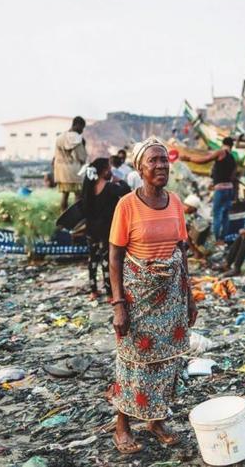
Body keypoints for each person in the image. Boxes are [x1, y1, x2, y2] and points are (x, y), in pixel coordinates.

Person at [108, 136, 197, 454]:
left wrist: (190, 298)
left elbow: (181, 251)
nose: (161, 166)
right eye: (153, 161)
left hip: (171, 299)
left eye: (164, 160)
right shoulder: (127, 205)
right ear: (140, 168)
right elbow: (115, 256)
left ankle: (156, 420)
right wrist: (119, 304)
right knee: (133, 362)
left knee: (167, 364)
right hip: (138, 300)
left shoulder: (175, 202)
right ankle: (123, 424)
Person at [81, 158, 130, 299]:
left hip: (90, 230)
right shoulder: (110, 188)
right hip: (106, 230)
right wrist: (117, 180)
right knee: (107, 261)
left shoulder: (88, 188)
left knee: (92, 260)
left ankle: (93, 291)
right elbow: (126, 190)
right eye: (109, 169)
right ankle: (110, 294)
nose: (111, 171)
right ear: (104, 171)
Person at [180, 136, 237, 243]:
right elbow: (233, 177)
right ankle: (222, 239)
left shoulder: (221, 152)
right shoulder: (232, 158)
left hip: (220, 189)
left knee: (217, 214)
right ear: (231, 146)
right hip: (230, 189)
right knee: (225, 215)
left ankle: (216, 240)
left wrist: (188, 158)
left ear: (223, 144)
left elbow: (204, 160)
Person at [54, 116, 88, 211]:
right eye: (82, 128)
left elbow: (55, 156)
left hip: (61, 171)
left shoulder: (60, 137)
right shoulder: (78, 139)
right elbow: (81, 157)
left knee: (64, 196)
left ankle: (62, 218)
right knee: (78, 196)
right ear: (78, 125)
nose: (82, 131)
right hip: (75, 171)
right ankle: (75, 220)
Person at [183, 194, 210, 259]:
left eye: (186, 205)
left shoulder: (194, 217)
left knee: (183, 231)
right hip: (203, 246)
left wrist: (195, 250)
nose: (183, 207)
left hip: (202, 247)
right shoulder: (196, 216)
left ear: (192, 208)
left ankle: (196, 252)